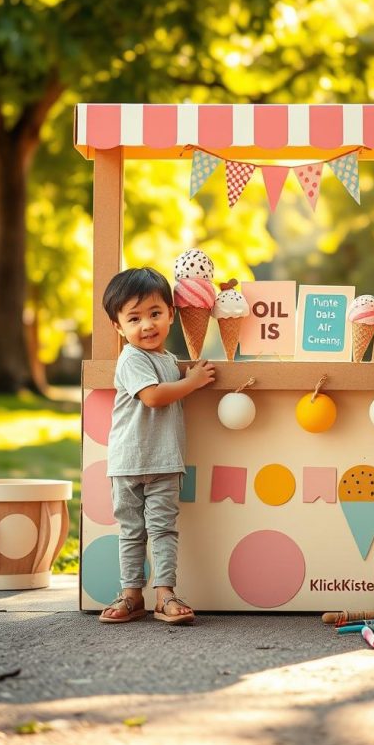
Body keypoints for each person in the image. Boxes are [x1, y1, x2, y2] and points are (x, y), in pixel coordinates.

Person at [98, 266, 214, 626]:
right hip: (129, 462)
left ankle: (165, 594)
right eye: (134, 318)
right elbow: (153, 397)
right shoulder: (131, 358)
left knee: (163, 529)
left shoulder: (167, 361)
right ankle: (131, 594)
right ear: (118, 327)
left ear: (171, 315)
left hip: (164, 461)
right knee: (132, 530)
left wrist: (186, 375)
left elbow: (167, 383)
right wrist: (192, 382)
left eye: (154, 314)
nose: (146, 325)